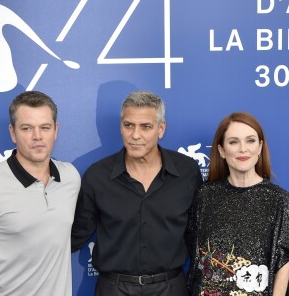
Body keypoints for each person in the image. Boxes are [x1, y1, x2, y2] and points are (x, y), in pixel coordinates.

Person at [71, 90, 203, 296]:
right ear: (121, 126)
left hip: (171, 287)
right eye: (128, 125)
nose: (135, 135)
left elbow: (198, 234)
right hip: (114, 288)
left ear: (161, 129)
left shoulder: (187, 171)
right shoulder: (97, 175)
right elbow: (75, 235)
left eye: (146, 127)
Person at [0, 91, 81, 295]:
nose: (37, 136)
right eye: (27, 128)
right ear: (13, 133)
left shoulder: (71, 178)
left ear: (56, 130)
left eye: (45, 127)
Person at [187, 112, 289, 295]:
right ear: (221, 151)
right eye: (234, 142)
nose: (243, 149)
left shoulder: (279, 201)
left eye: (250, 141)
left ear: (260, 147)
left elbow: (284, 263)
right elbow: (195, 255)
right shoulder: (204, 196)